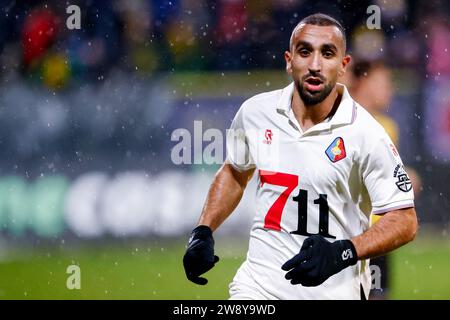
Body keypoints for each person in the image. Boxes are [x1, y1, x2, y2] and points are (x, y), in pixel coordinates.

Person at [183, 13, 418, 300]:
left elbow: (405, 220)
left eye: (328, 53)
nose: (315, 65)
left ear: (343, 66)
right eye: (305, 52)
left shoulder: (367, 133)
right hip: (257, 289)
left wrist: (343, 251)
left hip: (335, 293)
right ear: (288, 59)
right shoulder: (256, 113)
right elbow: (234, 172)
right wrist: (203, 231)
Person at [348, 59, 422, 299]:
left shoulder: (388, 127)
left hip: (379, 232)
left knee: (377, 294)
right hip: (347, 232)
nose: (389, 89)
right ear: (363, 81)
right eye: (383, 82)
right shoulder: (340, 121)